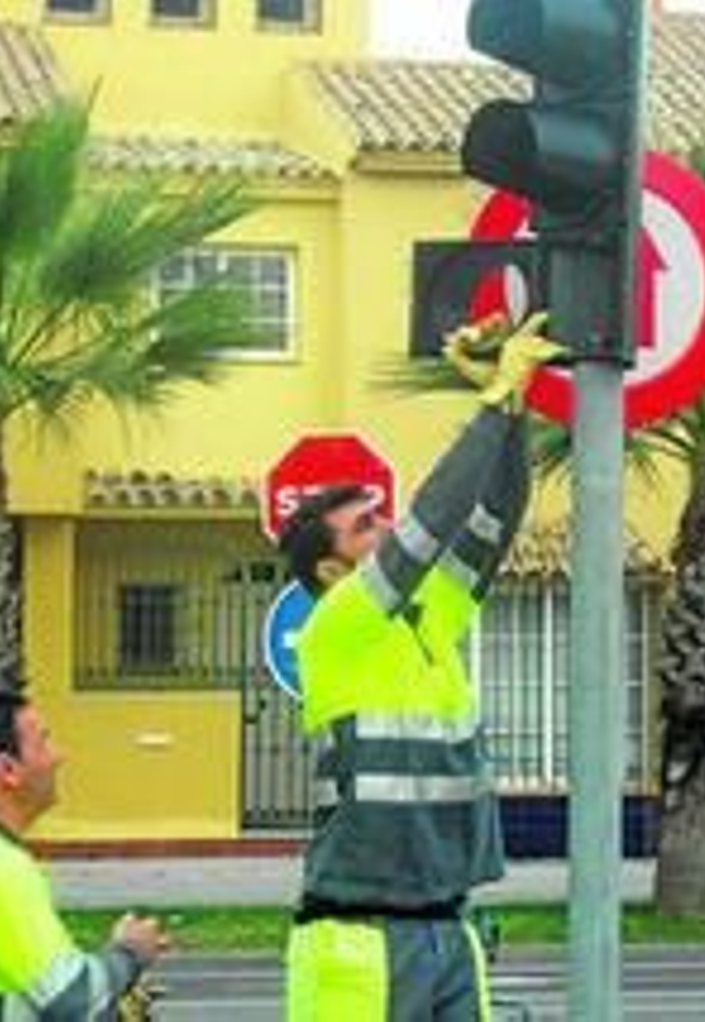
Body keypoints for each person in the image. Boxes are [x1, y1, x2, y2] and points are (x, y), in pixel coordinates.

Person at [276, 313, 562, 1020]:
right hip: (358, 939)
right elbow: (433, 519)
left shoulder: (425, 616)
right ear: (330, 568)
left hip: (449, 925)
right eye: (364, 526)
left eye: (380, 517)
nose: (385, 527)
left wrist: (512, 410)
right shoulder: (336, 625)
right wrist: (492, 401)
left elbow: (495, 517)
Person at [0, 688, 168, 1020]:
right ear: (7, 769)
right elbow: (74, 999)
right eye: (44, 742)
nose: (59, 756)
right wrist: (128, 953)